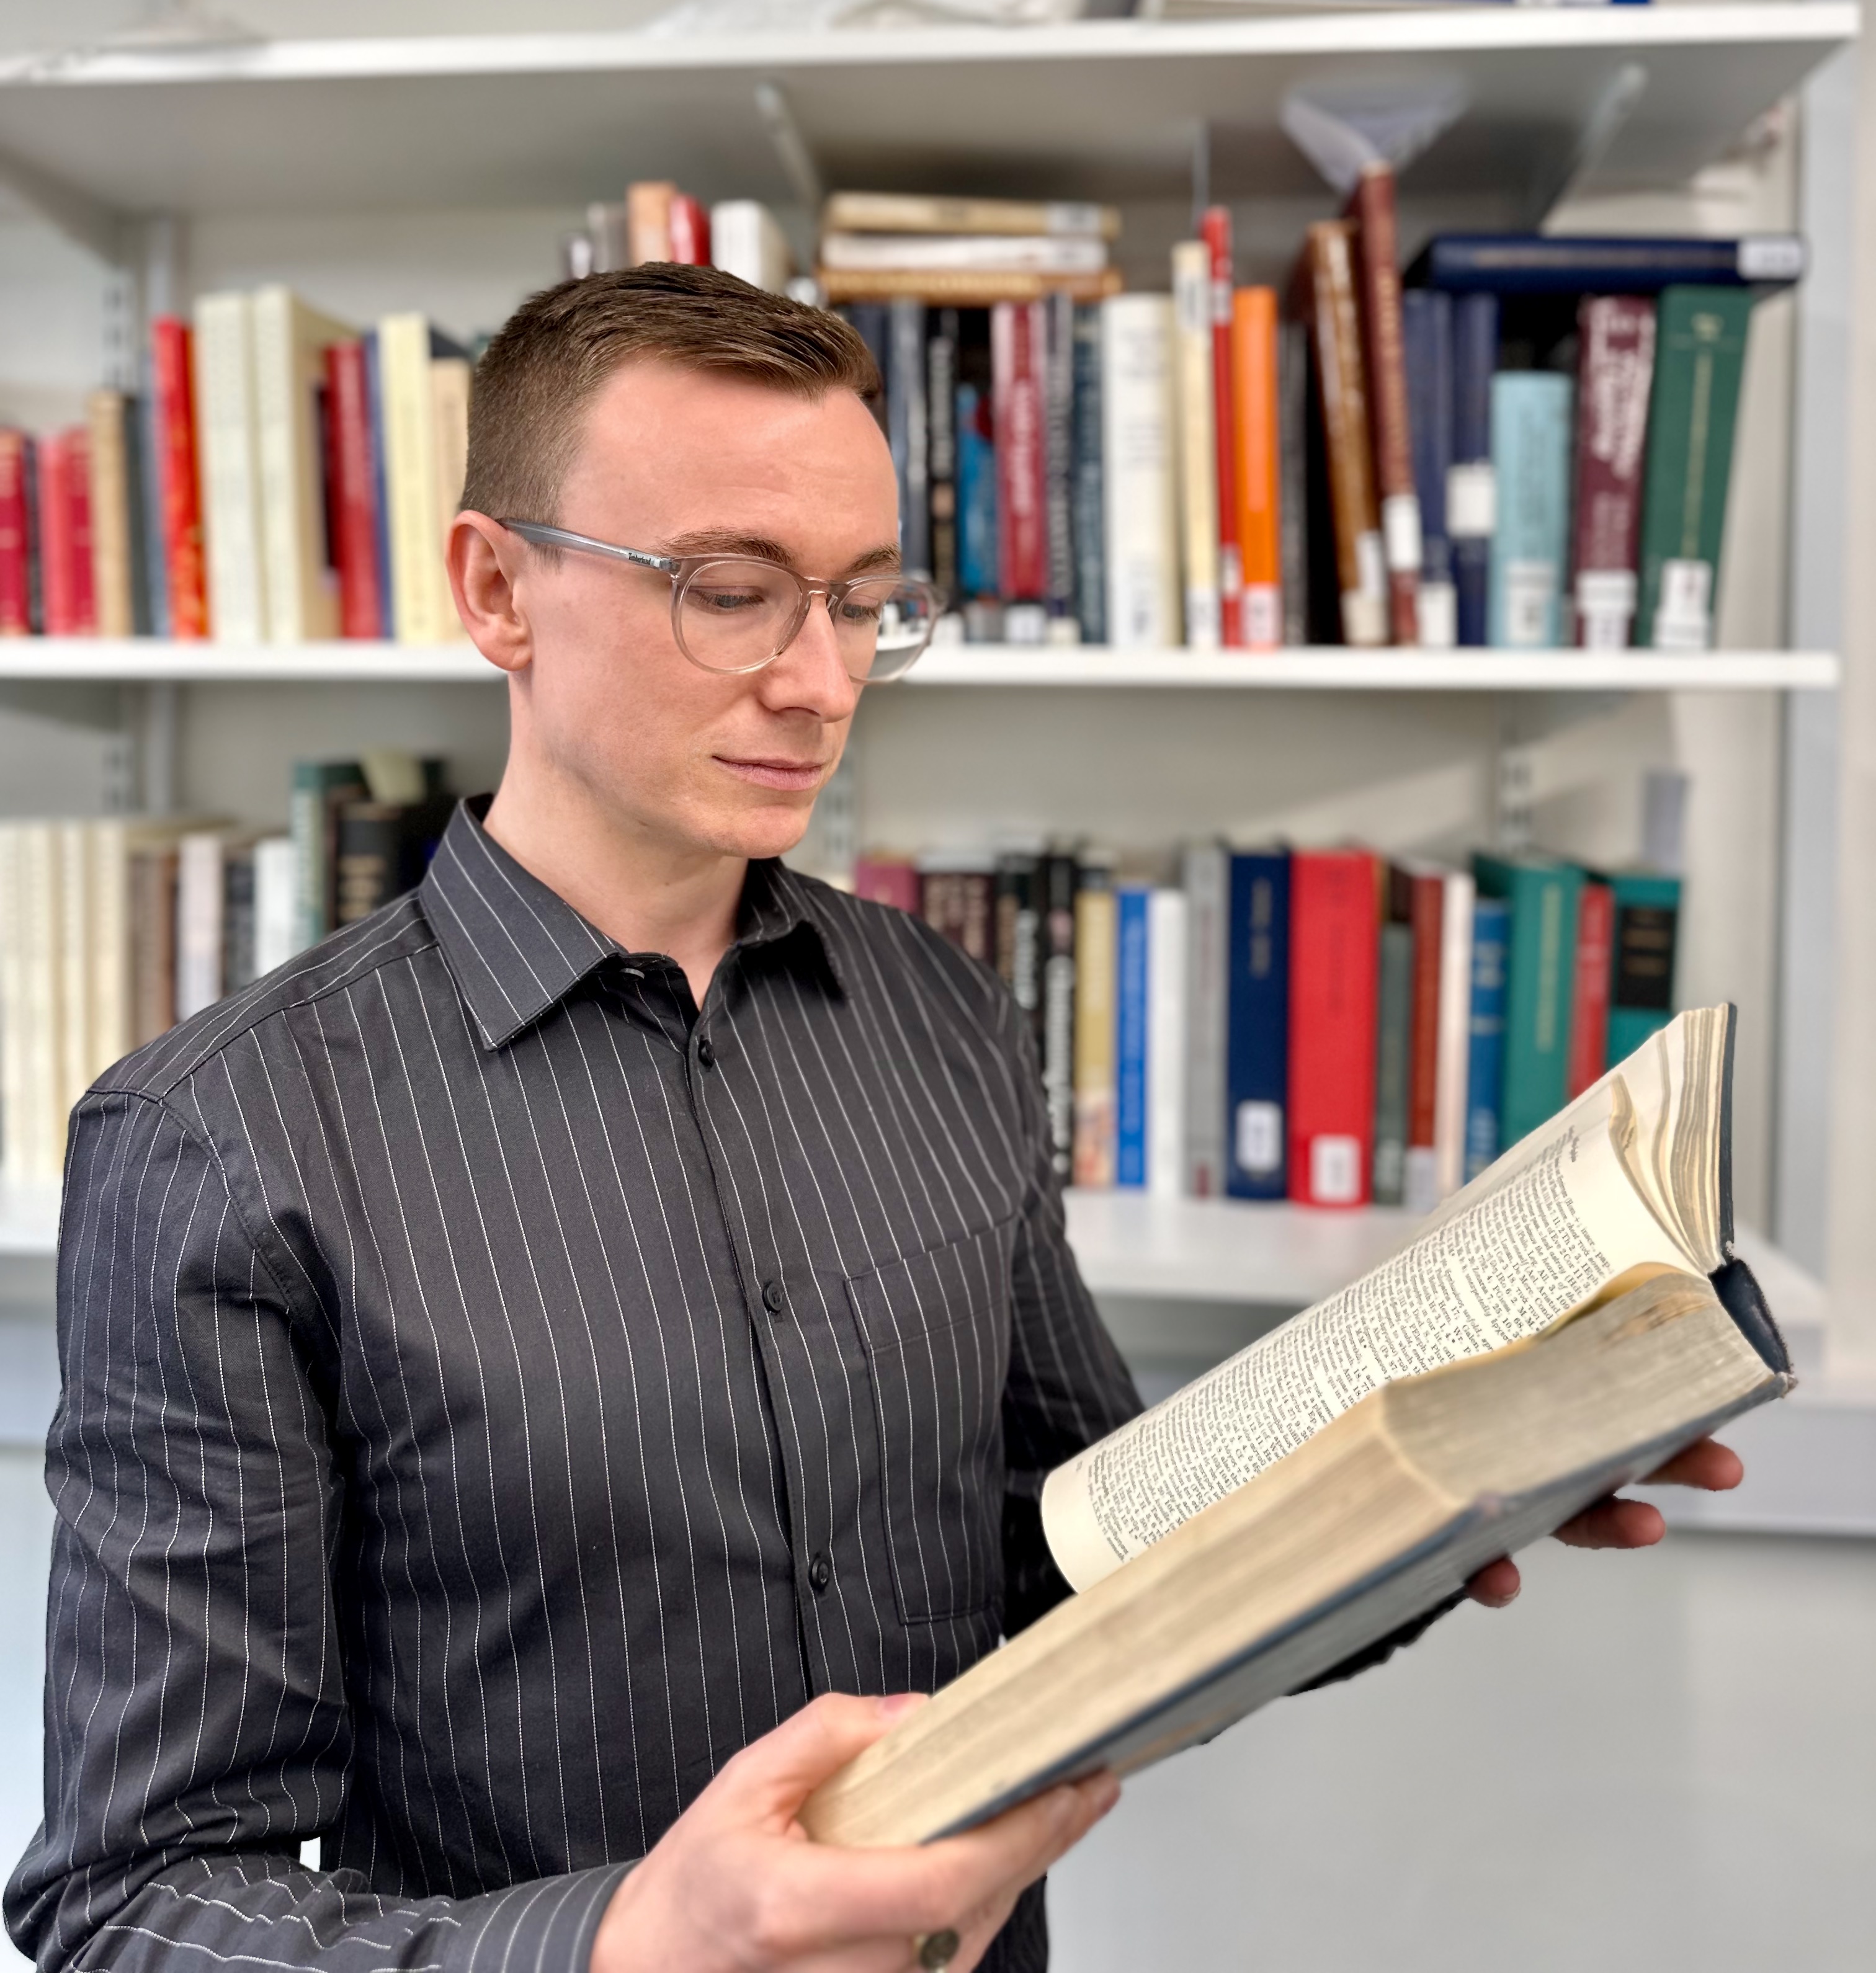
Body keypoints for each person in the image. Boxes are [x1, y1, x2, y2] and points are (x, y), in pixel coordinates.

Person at [6, 265, 1743, 1973]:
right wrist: (626, 1946)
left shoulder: (939, 1011)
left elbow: (1078, 1576)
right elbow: (136, 1905)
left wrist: (1444, 1495)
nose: (822, 682)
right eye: (733, 590)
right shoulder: (223, 1142)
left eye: (863, 601)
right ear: (497, 589)